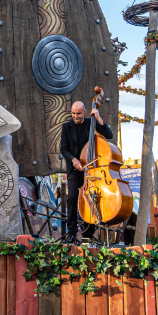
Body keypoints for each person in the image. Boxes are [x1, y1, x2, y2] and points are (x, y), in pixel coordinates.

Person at [59, 100, 114, 245]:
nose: (76, 116)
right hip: (74, 169)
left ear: (84, 112)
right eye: (73, 113)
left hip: (92, 169)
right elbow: (63, 149)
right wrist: (74, 160)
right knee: (72, 198)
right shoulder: (66, 127)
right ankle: (71, 233)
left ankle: (88, 232)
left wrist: (99, 118)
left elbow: (109, 135)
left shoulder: (92, 123)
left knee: (91, 198)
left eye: (78, 113)